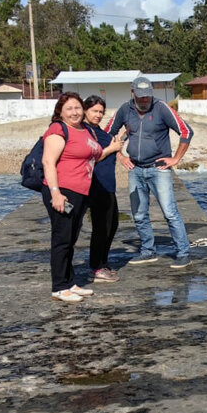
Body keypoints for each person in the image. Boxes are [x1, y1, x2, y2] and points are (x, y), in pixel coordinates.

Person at [41, 92, 125, 302]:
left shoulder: (83, 131)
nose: (75, 112)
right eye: (69, 108)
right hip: (63, 191)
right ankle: (59, 287)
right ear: (60, 111)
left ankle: (70, 283)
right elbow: (48, 163)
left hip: (80, 192)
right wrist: (55, 193)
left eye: (77, 108)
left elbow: (96, 154)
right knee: (62, 239)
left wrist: (116, 148)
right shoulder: (57, 130)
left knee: (71, 238)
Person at [105, 76, 195, 267]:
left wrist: (176, 158)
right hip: (135, 169)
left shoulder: (162, 108)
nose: (144, 100)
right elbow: (107, 133)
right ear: (133, 93)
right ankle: (148, 251)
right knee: (139, 214)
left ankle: (183, 252)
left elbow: (186, 131)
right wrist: (120, 156)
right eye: (140, 97)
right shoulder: (124, 110)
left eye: (147, 96)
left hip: (158, 169)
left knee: (170, 213)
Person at [83, 95, 125, 282]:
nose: (98, 115)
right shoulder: (84, 131)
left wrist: (119, 141)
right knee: (101, 227)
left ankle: (103, 262)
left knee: (112, 225)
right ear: (85, 110)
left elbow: (109, 144)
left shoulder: (98, 130)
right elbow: (91, 156)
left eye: (101, 112)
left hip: (108, 185)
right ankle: (96, 267)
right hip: (95, 184)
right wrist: (112, 148)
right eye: (94, 111)